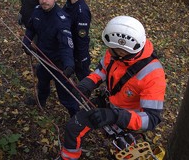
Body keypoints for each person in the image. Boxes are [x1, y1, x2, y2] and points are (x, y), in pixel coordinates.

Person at [60, 16, 167, 159]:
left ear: (123, 52)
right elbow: (102, 70)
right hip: (110, 105)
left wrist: (115, 116)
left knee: (124, 154)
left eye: (112, 50)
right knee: (74, 126)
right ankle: (68, 157)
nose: (108, 51)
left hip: (129, 120)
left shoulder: (153, 75)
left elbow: (151, 119)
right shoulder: (115, 54)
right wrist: (88, 83)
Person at [22, 0, 79, 117]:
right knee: (42, 83)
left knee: (66, 97)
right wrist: (26, 42)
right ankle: (41, 101)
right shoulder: (37, 12)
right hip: (43, 59)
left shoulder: (61, 20)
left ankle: (76, 119)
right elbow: (30, 29)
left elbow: (66, 46)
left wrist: (69, 65)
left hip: (59, 65)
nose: (44, 0)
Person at [62, 0, 92, 81]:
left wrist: (81, 60)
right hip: (67, 50)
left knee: (83, 82)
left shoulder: (82, 12)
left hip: (78, 55)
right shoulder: (68, 5)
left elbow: (82, 39)